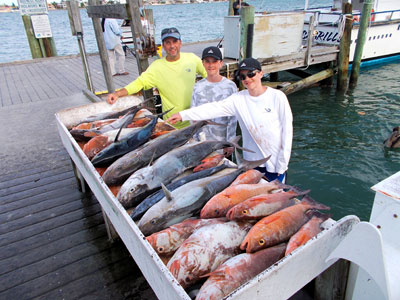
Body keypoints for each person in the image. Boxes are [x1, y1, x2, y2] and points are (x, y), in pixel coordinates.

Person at [167, 58, 293, 183]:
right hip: (251, 162)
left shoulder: (277, 97)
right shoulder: (238, 99)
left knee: (276, 198)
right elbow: (213, 108)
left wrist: (282, 164)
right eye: (242, 76)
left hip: (275, 163)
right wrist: (183, 115)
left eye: (251, 74)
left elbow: (287, 132)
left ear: (261, 73)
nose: (247, 79)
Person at [107, 27, 207, 129]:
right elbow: (139, 83)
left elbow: (209, 74)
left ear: (180, 43)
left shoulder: (192, 59)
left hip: (194, 118)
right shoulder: (157, 67)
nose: (172, 46)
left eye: (175, 41)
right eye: (168, 43)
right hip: (172, 124)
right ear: (163, 46)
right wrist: (117, 94)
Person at [191, 46, 238, 156]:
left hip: (222, 143)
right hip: (203, 143)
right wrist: (194, 139)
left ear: (221, 63)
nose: (211, 65)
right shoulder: (197, 87)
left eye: (214, 61)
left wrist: (230, 142)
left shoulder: (230, 86)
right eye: (207, 61)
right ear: (202, 63)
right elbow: (193, 116)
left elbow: (233, 118)